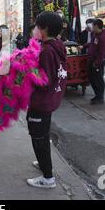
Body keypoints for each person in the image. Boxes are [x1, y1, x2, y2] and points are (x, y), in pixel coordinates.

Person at [26, 12, 67, 189]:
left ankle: (48, 178)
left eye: (37, 26)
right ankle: (44, 165)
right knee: (43, 134)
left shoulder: (47, 51)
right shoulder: (57, 45)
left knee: (38, 137)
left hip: (41, 102)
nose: (35, 29)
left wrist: (26, 72)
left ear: (45, 29)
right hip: (50, 101)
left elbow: (44, 81)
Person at [81, 19, 105, 105]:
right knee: (91, 78)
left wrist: (97, 63)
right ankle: (97, 95)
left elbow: (102, 53)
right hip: (91, 59)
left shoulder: (103, 38)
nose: (92, 27)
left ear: (96, 26)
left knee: (98, 80)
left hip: (97, 62)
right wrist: (83, 46)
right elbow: (91, 44)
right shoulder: (95, 34)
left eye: (93, 26)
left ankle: (100, 97)